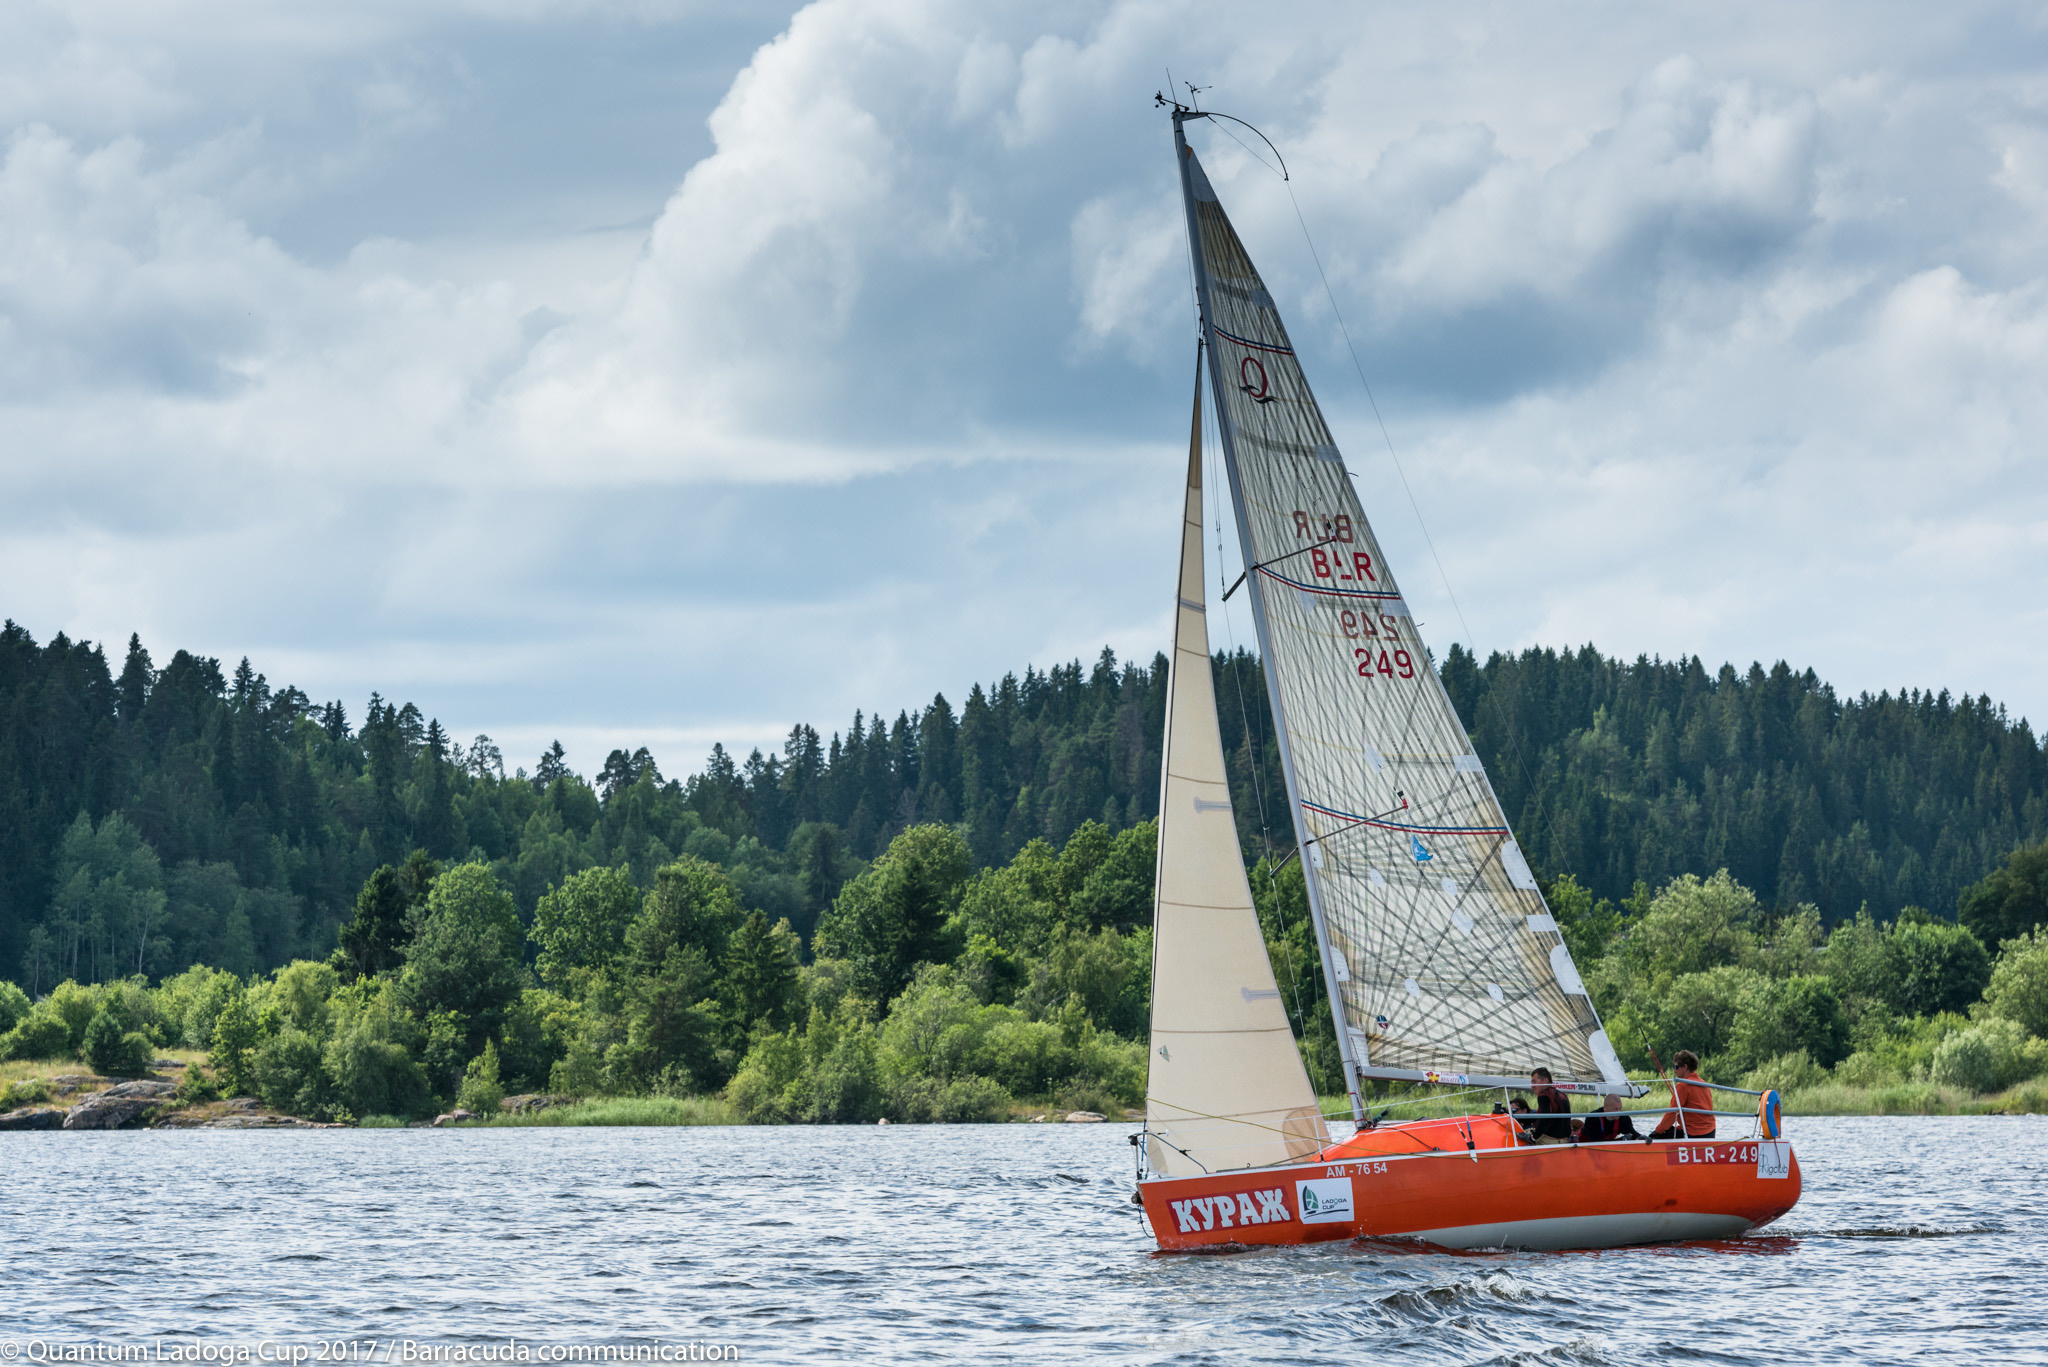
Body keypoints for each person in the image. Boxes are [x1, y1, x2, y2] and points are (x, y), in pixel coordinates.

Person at [1649, 1050, 1716, 1139]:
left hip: (1694, 1134)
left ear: (1684, 1067)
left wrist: (1657, 1132)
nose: (1674, 1071)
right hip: (1710, 1132)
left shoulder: (1682, 1085)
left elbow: (1671, 1114)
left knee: (1654, 1137)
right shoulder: (1703, 1083)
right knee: (1671, 1130)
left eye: (1676, 1067)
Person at [1527, 1067, 1572, 1144]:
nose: (1532, 1086)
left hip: (1549, 1141)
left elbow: (1545, 1118)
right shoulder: (1563, 1095)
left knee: (1518, 1135)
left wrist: (1534, 1138)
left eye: (1534, 1082)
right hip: (1565, 1140)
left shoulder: (1544, 1094)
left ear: (1545, 1081)